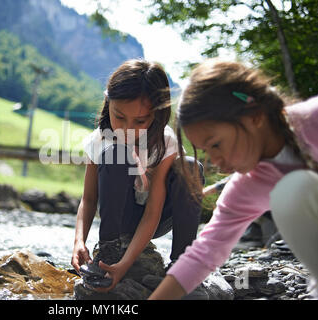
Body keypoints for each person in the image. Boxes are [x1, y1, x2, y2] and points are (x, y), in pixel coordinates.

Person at [149, 59, 318, 300]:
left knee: (293, 188)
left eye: (216, 144)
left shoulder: (312, 119)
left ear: (254, 116)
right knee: (290, 191)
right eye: (207, 151)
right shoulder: (247, 186)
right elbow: (203, 254)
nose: (215, 160)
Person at [71, 58, 204, 293]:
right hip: (120, 218)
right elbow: (89, 199)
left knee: (191, 167)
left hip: (158, 217)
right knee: (117, 154)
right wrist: (79, 242)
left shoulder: (167, 142)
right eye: (119, 116)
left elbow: (153, 212)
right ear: (108, 103)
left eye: (139, 121)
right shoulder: (100, 140)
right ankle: (109, 251)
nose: (126, 128)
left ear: (157, 115)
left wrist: (127, 264)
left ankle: (183, 263)